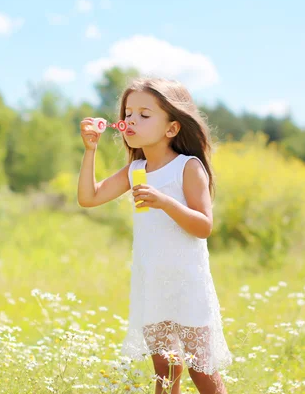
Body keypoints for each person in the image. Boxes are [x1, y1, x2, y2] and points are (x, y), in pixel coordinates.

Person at [77, 77, 233, 394]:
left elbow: (204, 226)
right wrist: (90, 150)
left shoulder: (187, 168)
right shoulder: (136, 170)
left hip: (186, 282)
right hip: (152, 281)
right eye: (128, 113)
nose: (131, 120)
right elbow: (89, 197)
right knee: (164, 369)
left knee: (200, 370)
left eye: (144, 115)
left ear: (172, 128)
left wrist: (165, 202)